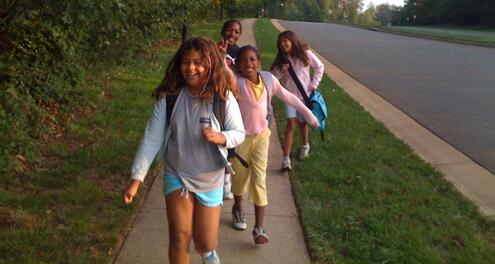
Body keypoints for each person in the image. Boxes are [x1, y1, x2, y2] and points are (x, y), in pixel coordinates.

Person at [123, 36, 245, 264]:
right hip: (177, 174)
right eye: (186, 62)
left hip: (210, 179)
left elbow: (239, 133)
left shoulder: (222, 98)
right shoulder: (169, 98)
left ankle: (208, 254)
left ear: (211, 64)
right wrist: (137, 178)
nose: (191, 68)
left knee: (204, 243)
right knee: (179, 237)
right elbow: (152, 138)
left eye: (198, 62)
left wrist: (220, 137)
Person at [231, 45, 319, 244]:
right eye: (243, 60)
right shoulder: (235, 82)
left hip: (262, 137)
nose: (248, 64)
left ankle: (259, 228)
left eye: (252, 59)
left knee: (259, 179)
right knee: (239, 180)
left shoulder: (269, 80)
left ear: (259, 62)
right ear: (237, 65)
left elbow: (291, 98)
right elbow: (219, 76)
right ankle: (238, 207)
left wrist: (310, 116)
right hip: (239, 140)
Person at [270, 30, 324, 171]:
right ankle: (286, 159)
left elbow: (320, 67)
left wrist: (314, 84)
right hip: (289, 97)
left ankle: (305, 145)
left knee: (302, 123)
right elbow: (272, 78)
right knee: (291, 123)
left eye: (285, 41)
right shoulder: (281, 59)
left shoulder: (305, 54)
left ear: (292, 40)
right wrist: (282, 70)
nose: (283, 44)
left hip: (304, 96)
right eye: (280, 42)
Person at [217, 19, 243, 200]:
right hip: (216, 98)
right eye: (229, 30)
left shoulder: (240, 52)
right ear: (223, 31)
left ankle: (227, 182)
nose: (232, 34)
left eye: (236, 32)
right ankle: (218, 179)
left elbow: (244, 73)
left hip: (233, 100)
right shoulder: (213, 47)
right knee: (218, 138)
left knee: (230, 141)